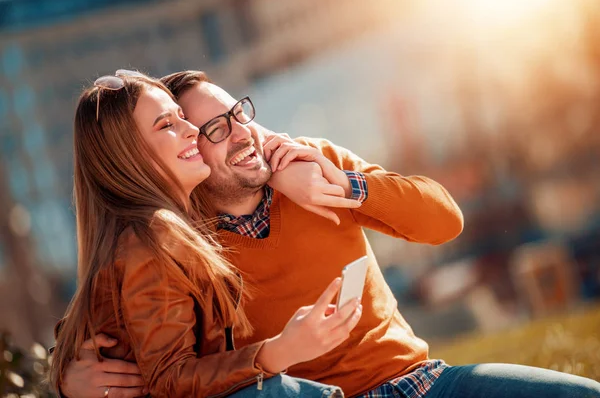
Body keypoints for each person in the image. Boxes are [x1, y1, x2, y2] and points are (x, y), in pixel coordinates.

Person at [59, 70, 600, 398]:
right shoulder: (182, 241)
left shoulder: (318, 166)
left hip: (421, 383)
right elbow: (118, 323)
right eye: (214, 131)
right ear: (184, 155)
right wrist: (68, 379)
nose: (242, 134)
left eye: (238, 115)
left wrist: (348, 185)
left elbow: (445, 221)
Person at [48, 70, 365, 398]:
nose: (192, 130)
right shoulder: (150, 237)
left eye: (182, 116)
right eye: (166, 125)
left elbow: (92, 319)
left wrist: (282, 171)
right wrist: (280, 350)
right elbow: (169, 379)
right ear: (128, 157)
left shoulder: (172, 225)